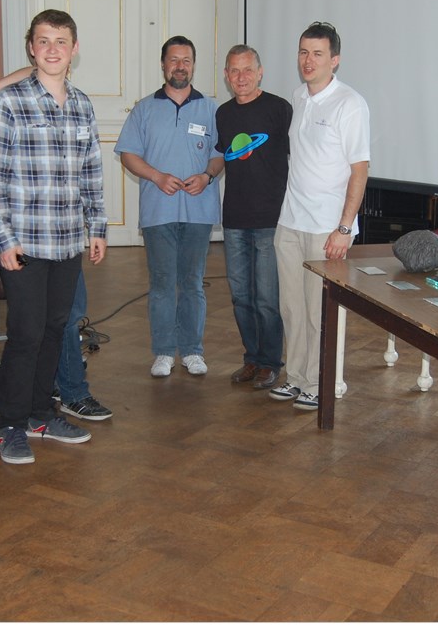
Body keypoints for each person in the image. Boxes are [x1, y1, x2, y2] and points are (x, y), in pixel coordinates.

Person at [0, 9, 108, 466]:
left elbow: (91, 171)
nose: (53, 49)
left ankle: (39, 414)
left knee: (56, 329)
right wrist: (3, 239)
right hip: (25, 244)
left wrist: (97, 227)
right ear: (31, 48)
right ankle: (10, 425)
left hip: (68, 240)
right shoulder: (9, 103)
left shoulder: (83, 104)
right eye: (44, 41)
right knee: (26, 333)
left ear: (74, 49)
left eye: (61, 41)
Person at [270, 22, 370, 411]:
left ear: (335, 60)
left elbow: (359, 170)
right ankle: (296, 377)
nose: (308, 61)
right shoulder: (298, 97)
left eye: (317, 54)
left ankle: (318, 382)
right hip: (290, 221)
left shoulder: (350, 103)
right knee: (292, 308)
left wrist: (344, 228)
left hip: (327, 228)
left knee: (318, 311)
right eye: (303, 52)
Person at [115, 35, 224, 378]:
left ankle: (192, 350)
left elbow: (220, 155)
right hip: (158, 211)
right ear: (163, 64)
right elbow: (128, 154)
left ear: (194, 65)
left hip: (199, 210)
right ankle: (163, 351)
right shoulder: (144, 109)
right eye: (174, 60)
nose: (180, 66)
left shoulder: (211, 109)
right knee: (162, 284)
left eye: (186, 60)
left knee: (192, 283)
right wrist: (157, 177)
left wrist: (207, 175)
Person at [215, 45, 292, 391]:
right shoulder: (223, 114)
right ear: (226, 75)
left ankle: (271, 362)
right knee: (241, 297)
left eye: (248, 70)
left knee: (266, 299)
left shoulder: (279, 109)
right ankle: (252, 357)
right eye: (234, 70)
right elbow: (222, 157)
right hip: (234, 219)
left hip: (270, 219)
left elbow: (298, 158)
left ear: (260, 72)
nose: (241, 77)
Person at [54, 272, 113, 421]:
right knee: (64, 315)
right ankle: (72, 393)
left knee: (69, 313)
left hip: (66, 258)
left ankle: (64, 388)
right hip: (32, 261)